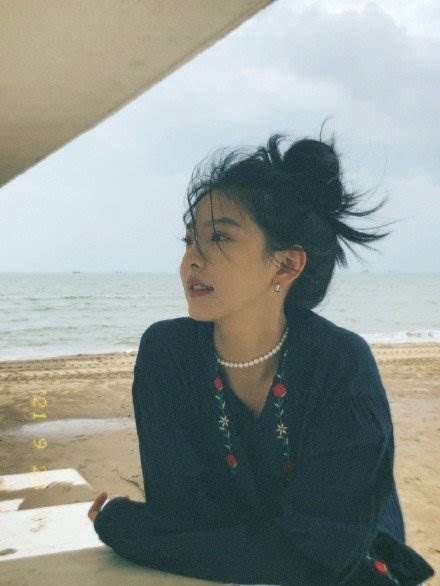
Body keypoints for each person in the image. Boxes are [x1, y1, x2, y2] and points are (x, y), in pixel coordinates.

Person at [89, 128, 435, 585]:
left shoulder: (340, 364)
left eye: (219, 237)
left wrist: (124, 526)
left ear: (287, 264)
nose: (192, 260)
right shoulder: (167, 355)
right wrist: (177, 535)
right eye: (189, 240)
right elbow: (183, 516)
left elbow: (323, 554)